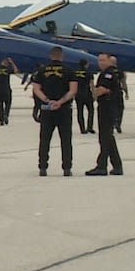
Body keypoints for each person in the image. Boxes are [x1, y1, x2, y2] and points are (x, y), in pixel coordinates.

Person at [32, 46, 78, 176]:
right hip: (64, 110)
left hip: (47, 109)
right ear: (62, 56)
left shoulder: (41, 71)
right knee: (66, 140)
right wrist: (60, 102)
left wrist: (47, 101)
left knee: (45, 139)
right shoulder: (69, 71)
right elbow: (73, 90)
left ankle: (42, 167)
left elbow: (36, 89)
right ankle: (67, 168)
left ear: (51, 56)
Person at [86, 52, 124, 176]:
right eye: (99, 60)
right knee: (108, 137)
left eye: (103, 60)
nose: (101, 63)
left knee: (105, 137)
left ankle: (102, 165)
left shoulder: (108, 73)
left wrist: (95, 92)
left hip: (108, 107)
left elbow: (100, 91)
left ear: (109, 61)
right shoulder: (114, 72)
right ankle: (117, 165)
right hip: (108, 106)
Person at [0, 57, 18, 125]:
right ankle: (6, 115)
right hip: (7, 89)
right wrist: (12, 63)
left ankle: (1, 120)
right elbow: (16, 71)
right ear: (7, 63)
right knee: (8, 103)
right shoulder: (8, 69)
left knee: (0, 105)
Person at [74, 59, 95, 134]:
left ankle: (82, 129)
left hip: (78, 94)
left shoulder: (75, 73)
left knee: (80, 112)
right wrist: (94, 94)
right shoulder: (89, 73)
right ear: (86, 64)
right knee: (91, 111)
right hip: (87, 94)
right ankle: (90, 127)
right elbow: (92, 84)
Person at [114, 65, 128, 133]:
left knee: (111, 108)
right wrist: (126, 93)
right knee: (120, 108)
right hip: (118, 92)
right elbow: (123, 83)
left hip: (110, 93)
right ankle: (118, 123)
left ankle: (113, 122)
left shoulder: (108, 71)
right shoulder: (120, 71)